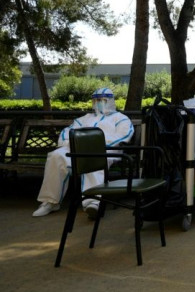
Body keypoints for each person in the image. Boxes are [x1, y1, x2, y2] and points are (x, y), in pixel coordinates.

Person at [32, 87, 134, 219]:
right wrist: (73, 144)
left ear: (110, 101)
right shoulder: (85, 118)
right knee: (56, 156)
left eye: (102, 100)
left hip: (103, 152)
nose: (98, 103)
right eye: (96, 100)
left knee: (92, 160)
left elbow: (123, 136)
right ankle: (50, 202)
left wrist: (94, 145)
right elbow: (66, 133)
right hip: (75, 150)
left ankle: (92, 202)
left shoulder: (121, 119)